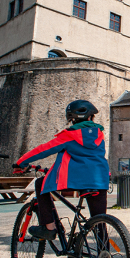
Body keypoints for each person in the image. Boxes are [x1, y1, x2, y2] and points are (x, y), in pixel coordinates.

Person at [15, 100, 109, 241]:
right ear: (90, 118)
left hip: (75, 180)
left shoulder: (68, 135)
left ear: (72, 119)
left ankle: (49, 228)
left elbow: (43, 150)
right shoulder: (99, 136)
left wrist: (21, 162)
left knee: (41, 184)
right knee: (100, 223)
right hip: (100, 180)